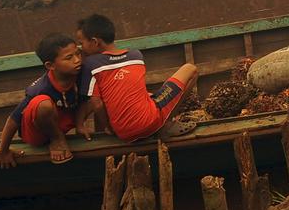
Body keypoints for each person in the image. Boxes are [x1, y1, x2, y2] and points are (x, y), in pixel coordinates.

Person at [74, 14, 199, 143]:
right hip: (150, 123)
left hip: (123, 134)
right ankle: (165, 122)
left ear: (95, 42)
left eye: (81, 43)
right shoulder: (136, 56)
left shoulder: (90, 64)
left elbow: (97, 104)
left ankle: (161, 123)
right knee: (190, 69)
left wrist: (108, 127)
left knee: (102, 95)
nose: (80, 48)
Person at [0, 33, 83, 168]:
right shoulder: (41, 88)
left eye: (78, 54)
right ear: (50, 65)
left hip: (62, 121)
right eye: (69, 58)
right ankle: (56, 140)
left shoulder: (80, 72)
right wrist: (3, 151)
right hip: (38, 132)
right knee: (43, 104)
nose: (77, 60)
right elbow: (13, 119)